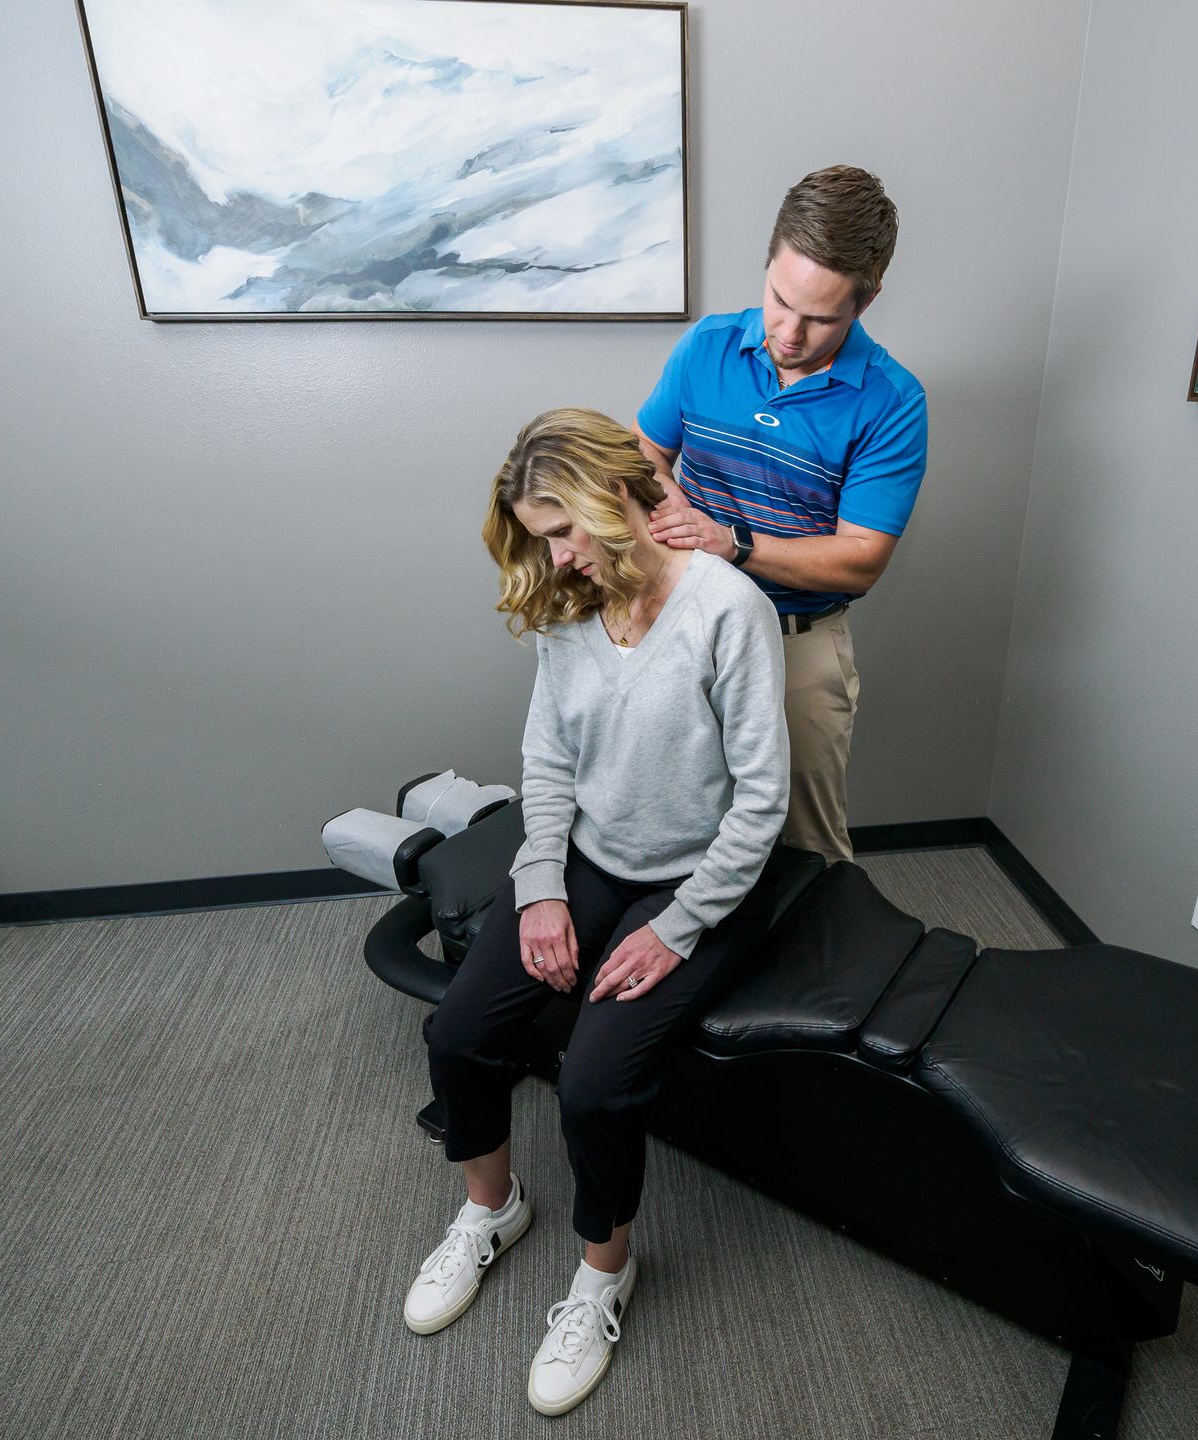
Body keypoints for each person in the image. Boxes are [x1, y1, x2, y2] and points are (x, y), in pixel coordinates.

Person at [406, 407, 789, 1417]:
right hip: (592, 858)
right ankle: (492, 1210)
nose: (561, 556)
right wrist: (539, 888)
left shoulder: (726, 609)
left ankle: (602, 1274)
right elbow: (548, 763)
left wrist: (677, 926)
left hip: (703, 882)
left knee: (594, 1083)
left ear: (624, 495)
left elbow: (761, 803)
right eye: (542, 536)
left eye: (568, 529)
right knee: (460, 1031)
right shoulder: (572, 610)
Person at [635, 164, 927, 865]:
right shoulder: (705, 345)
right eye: (778, 300)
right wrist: (669, 505)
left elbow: (860, 560)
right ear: (769, 263)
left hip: (795, 644)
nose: (789, 333)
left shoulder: (892, 401)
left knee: (806, 853)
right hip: (683, 621)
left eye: (821, 317)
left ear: (868, 299)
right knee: (673, 822)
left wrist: (728, 543)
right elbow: (647, 451)